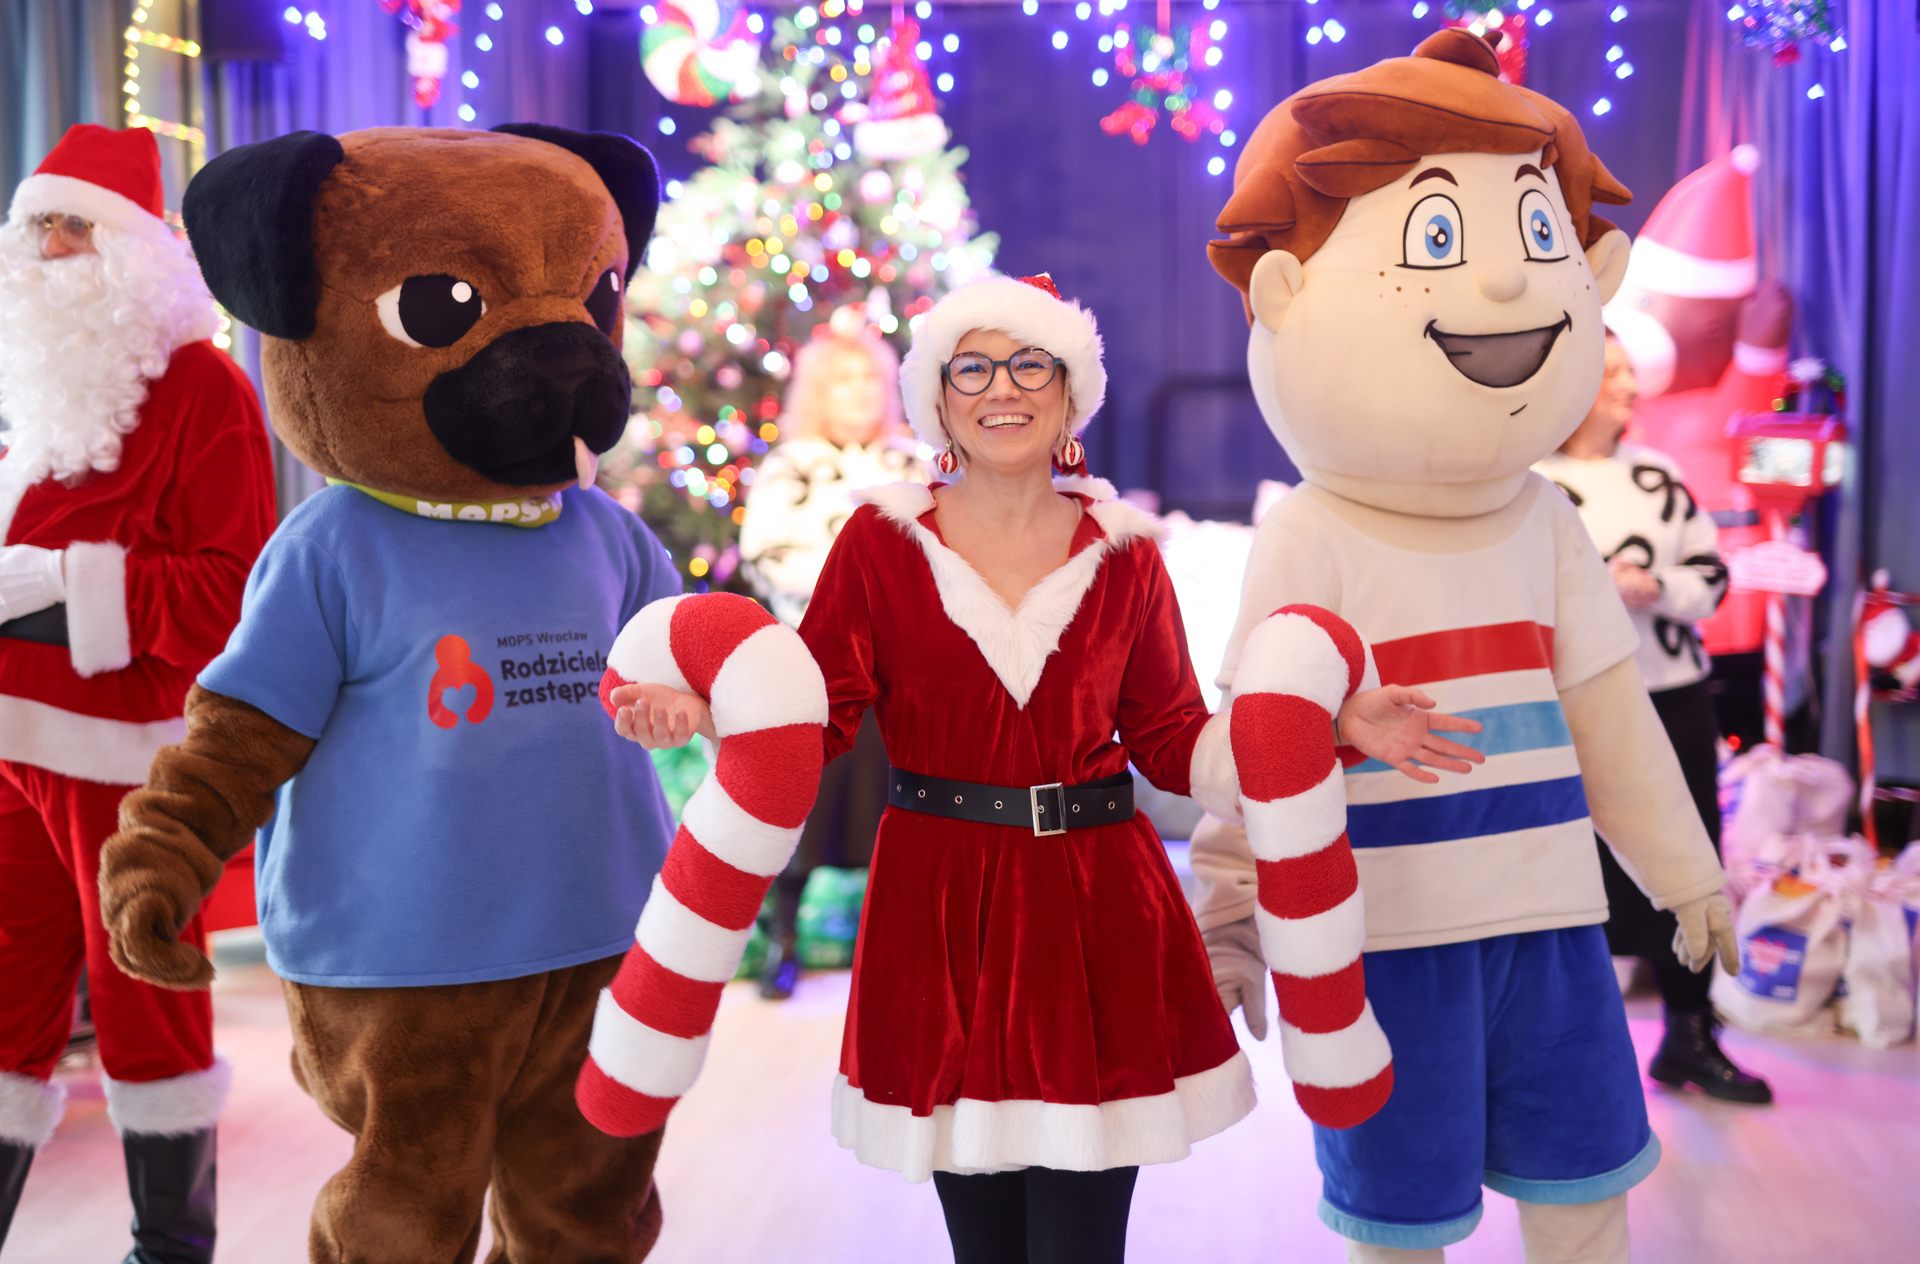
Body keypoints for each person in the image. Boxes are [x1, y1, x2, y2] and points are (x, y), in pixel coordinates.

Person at [613, 272, 1479, 1263]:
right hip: (938, 908)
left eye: (1032, 364)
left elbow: (1173, 738)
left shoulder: (1127, 556)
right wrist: (710, 714)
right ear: (938, 400)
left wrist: (1325, 723)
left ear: (1071, 393)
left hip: (1097, 906)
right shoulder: (878, 546)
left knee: (1082, 1243)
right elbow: (818, 722)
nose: (1003, 388)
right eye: (972, 368)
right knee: (983, 1245)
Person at [1196, 32, 1740, 1263]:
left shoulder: (1544, 520)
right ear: (1286, 295)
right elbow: (1255, 748)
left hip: (1553, 922)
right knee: (1401, 1223)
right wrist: (1229, 920)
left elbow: (1613, 719)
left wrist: (1684, 870)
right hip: (1384, 937)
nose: (1500, 283)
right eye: (1437, 237)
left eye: (1536, 237)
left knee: (1585, 1194)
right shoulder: (1310, 533)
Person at [0, 124, 277, 1260]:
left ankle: (170, 1247)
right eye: (39, 227)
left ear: (136, 253)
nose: (54, 250)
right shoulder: (43, 394)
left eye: (79, 227)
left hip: (122, 757)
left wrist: (61, 584)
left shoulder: (206, 388)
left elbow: (228, 589)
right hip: (11, 748)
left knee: (144, 994)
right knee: (4, 1001)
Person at [1535, 334, 1771, 1103]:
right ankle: (1563, 1049)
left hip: (1672, 691)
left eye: (1631, 370)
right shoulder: (1530, 483)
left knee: (1687, 849)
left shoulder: (1660, 475)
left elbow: (1712, 577)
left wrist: (1657, 587)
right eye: (1611, 372)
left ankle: (1689, 1032)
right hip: (1568, 699)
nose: (1630, 384)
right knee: (1570, 860)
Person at [738, 329, 924, 998]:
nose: (859, 393)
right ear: (818, 392)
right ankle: (782, 941)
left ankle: (899, 949)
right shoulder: (789, 467)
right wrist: (847, 594)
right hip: (811, 665)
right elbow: (766, 555)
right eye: (843, 381)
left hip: (898, 671)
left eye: (869, 379)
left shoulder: (911, 465)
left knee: (897, 804)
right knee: (803, 804)